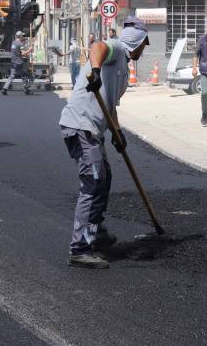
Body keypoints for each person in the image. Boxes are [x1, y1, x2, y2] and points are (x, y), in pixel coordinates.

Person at [59, 16, 150, 269]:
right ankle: (80, 248)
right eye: (144, 44)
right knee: (93, 181)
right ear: (138, 41)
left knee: (105, 178)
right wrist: (95, 71)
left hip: (93, 129)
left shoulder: (122, 70)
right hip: (80, 125)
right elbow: (97, 47)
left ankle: (94, 232)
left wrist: (117, 133)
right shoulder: (117, 48)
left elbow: (110, 106)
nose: (145, 49)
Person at [2, 30, 33, 95]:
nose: (23, 37)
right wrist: (29, 50)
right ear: (20, 36)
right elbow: (23, 53)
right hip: (19, 63)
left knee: (12, 76)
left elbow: (17, 52)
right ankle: (26, 89)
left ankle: (5, 88)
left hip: (13, 62)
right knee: (24, 75)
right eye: (22, 36)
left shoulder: (13, 43)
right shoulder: (20, 44)